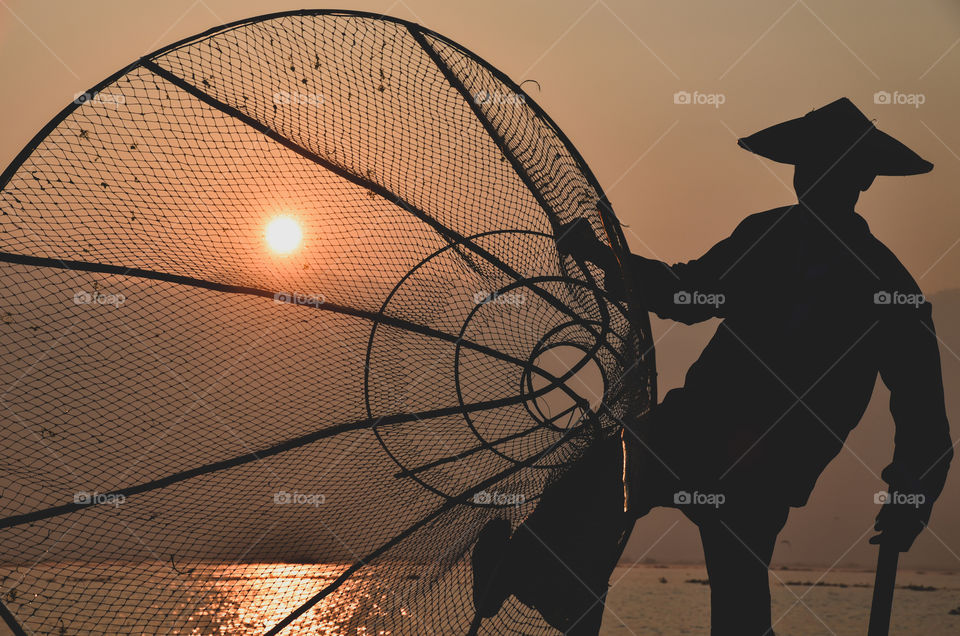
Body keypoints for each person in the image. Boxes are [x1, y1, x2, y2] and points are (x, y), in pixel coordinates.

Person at [471, 97, 953, 635]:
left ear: (861, 178)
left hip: (767, 461)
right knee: (594, 483)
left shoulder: (887, 286)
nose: (809, 177)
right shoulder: (769, 236)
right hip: (702, 432)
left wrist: (912, 492)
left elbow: (923, 415)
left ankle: (539, 580)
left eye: (825, 165)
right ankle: (540, 581)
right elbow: (688, 295)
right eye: (806, 165)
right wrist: (607, 258)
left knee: (734, 601)